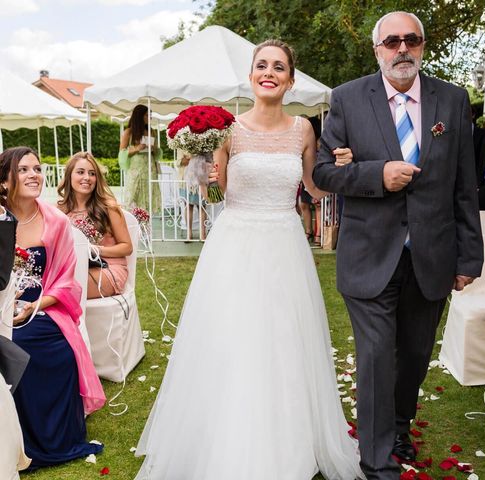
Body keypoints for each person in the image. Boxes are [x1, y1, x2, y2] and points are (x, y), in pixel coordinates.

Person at [134, 40, 363, 480]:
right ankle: (226, 433)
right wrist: (205, 172)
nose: (270, 72)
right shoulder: (229, 131)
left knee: (284, 338)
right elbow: (215, 194)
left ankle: (287, 435)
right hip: (236, 243)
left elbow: (315, 190)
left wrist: (343, 167)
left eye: (279, 67)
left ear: (290, 79)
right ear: (251, 75)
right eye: (262, 66)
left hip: (284, 243)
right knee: (233, 337)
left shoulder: (303, 130)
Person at [313, 11, 483, 480]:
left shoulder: (452, 99)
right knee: (373, 359)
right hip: (369, 256)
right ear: (378, 50)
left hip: (432, 256)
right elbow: (324, 172)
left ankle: (399, 425)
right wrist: (375, 174)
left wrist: (469, 257)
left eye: (411, 40)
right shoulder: (347, 98)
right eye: (392, 41)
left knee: (413, 355)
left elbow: (464, 184)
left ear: (423, 45)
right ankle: (377, 462)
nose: (402, 48)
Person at [0, 146, 105, 469]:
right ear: (4, 181)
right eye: (24, 170)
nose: (34, 175)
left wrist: (34, 306)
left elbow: (66, 282)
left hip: (41, 304)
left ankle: (55, 438)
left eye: (37, 169)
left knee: (55, 347)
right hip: (1, 304)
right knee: (14, 345)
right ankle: (16, 441)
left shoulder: (55, 221)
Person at [57, 152, 132, 298]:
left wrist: (93, 250)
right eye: (80, 172)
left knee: (67, 289)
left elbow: (127, 247)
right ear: (69, 176)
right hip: (73, 269)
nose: (87, 177)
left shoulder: (108, 208)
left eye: (92, 173)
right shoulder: (60, 211)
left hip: (108, 268)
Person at [119, 104, 161, 212]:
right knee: (134, 195)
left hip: (150, 167)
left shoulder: (151, 131)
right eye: (147, 115)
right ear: (140, 116)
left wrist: (154, 148)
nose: (150, 118)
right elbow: (122, 153)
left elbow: (157, 153)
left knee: (149, 193)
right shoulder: (129, 132)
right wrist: (137, 148)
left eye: (150, 115)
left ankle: (147, 222)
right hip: (136, 168)